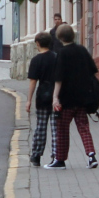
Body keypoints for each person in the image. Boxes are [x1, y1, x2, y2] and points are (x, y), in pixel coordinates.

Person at [48, 24, 99, 169]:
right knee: (83, 127)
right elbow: (93, 71)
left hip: (66, 99)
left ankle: (60, 160)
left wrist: (55, 97)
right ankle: (91, 156)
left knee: (62, 129)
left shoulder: (62, 53)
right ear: (73, 35)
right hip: (83, 98)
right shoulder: (82, 50)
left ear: (59, 37)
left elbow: (59, 78)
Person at [26, 31, 58, 167]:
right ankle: (57, 155)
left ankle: (36, 155)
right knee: (56, 128)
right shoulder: (57, 57)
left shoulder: (36, 60)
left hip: (42, 96)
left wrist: (29, 100)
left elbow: (33, 81)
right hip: (56, 96)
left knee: (40, 127)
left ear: (38, 43)